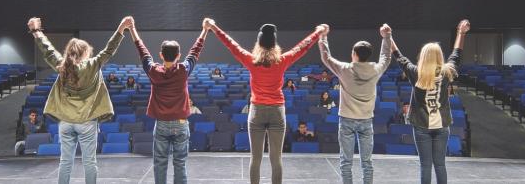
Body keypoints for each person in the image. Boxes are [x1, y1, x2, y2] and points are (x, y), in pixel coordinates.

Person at [208, 20, 323, 184]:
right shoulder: (282, 60)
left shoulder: (251, 60)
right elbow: (302, 47)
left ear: (259, 43)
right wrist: (317, 33)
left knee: (255, 159)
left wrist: (214, 27)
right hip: (277, 111)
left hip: (257, 111)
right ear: (274, 44)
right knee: (276, 160)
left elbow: (231, 44)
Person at [28, 15, 132, 184]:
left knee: (65, 162)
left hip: (66, 122)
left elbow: (47, 50)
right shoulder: (92, 65)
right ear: (85, 53)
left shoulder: (62, 66)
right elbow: (109, 49)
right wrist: (121, 28)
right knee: (89, 162)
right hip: (86, 122)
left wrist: (36, 31)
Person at [130, 17, 209, 184]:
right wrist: (205, 30)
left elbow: (142, 51)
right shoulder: (183, 70)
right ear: (179, 55)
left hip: (162, 124)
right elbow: (195, 51)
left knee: (160, 164)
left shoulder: (154, 71)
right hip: (181, 124)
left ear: (160, 55)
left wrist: (132, 29)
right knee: (180, 164)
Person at [392, 19, 470, 184]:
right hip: (442, 126)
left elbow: (399, 57)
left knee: (425, 165)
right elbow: (457, 53)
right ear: (439, 56)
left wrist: (388, 37)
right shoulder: (447, 72)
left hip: (421, 127)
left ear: (423, 56)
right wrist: (461, 33)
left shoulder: (415, 73)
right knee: (440, 165)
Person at [317, 23, 392, 184]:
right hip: (366, 120)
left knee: (346, 162)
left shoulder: (344, 69)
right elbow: (386, 57)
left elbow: (326, 58)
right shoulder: (376, 69)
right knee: (367, 163)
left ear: (354, 54)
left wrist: (323, 37)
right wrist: (387, 37)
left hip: (347, 120)